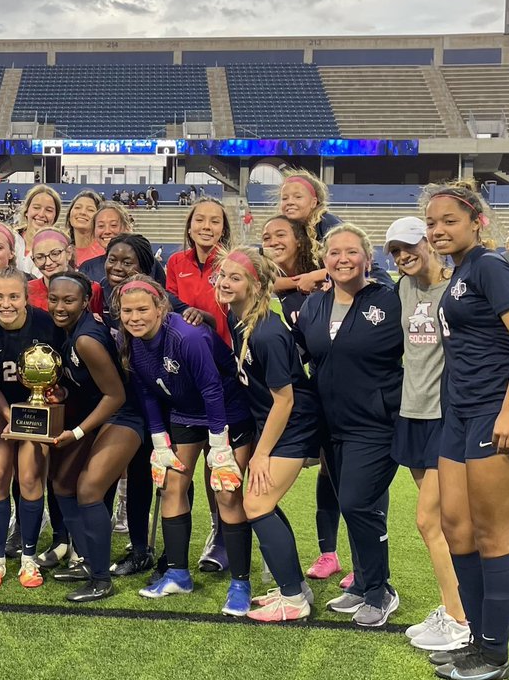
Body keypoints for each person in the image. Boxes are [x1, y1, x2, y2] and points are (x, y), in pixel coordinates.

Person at [426, 182, 509, 680]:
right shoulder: (460, 273)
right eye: (432, 222)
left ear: (477, 222)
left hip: (499, 413)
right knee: (456, 528)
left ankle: (494, 654)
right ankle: (474, 637)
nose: (437, 230)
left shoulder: (491, 266)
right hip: (460, 414)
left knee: (492, 535)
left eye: (448, 220)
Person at [122, 279, 255, 614]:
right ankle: (179, 573)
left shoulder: (188, 336)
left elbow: (212, 388)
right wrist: (158, 438)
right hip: (184, 414)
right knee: (171, 486)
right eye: (127, 311)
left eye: (142, 309)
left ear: (161, 308)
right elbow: (148, 392)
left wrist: (220, 446)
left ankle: (241, 583)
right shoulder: (133, 342)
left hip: (227, 414)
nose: (134, 317)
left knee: (226, 492)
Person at [294, 224, 404, 629]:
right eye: (335, 252)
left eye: (352, 252)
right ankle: (360, 586)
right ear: (324, 260)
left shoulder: (389, 302)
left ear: (368, 259)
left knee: (359, 504)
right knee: (350, 505)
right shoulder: (314, 307)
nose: (343, 259)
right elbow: (307, 356)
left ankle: (380, 591)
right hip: (331, 426)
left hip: (376, 424)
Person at [212, 248, 322, 622]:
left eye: (235, 278)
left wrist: (261, 453)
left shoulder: (268, 333)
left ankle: (293, 599)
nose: (225, 283)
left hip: (294, 423)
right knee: (262, 502)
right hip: (274, 422)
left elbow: (285, 400)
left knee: (256, 504)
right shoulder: (235, 314)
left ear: (256, 286)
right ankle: (295, 586)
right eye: (222, 275)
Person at [383, 217, 469, 651]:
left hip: (445, 416)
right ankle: (453, 608)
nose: (402, 256)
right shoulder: (402, 288)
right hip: (411, 413)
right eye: (395, 251)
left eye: (408, 246)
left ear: (427, 242)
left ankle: (459, 617)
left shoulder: (456, 287)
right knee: (440, 523)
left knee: (430, 521)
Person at [45, 272, 147, 603]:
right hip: (102, 415)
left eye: (69, 300)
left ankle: (101, 579)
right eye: (54, 299)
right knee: (61, 482)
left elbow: (115, 395)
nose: (60, 306)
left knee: (88, 488)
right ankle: (89, 560)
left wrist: (76, 432)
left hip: (124, 416)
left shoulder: (85, 338)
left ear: (86, 302)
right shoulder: (71, 330)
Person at [261, 213, 344, 582]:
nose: (272, 240)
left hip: (344, 390)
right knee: (329, 469)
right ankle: (329, 554)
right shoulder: (286, 286)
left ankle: (364, 564)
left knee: (348, 476)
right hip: (313, 390)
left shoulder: (325, 278)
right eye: (266, 235)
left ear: (300, 240)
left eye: (280, 234)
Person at [0, 268, 66, 587]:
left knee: (28, 476)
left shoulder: (45, 324)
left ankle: (28, 559)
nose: (5, 303)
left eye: (13, 296)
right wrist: (8, 414)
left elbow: (58, 375)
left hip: (35, 409)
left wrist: (53, 396)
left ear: (26, 298)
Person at [166, 197, 232, 346]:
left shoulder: (232, 263)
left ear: (223, 231)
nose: (207, 226)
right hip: (186, 346)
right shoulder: (175, 262)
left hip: (222, 349)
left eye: (215, 222)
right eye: (200, 220)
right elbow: (172, 307)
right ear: (189, 227)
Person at [12, 185, 62, 277]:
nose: (41, 214)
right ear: (27, 211)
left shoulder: (59, 251)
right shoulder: (10, 240)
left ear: (55, 217)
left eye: (49, 210)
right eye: (36, 207)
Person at [64, 189, 105, 268]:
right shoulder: (61, 250)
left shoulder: (106, 252)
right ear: (69, 215)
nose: (82, 212)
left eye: (90, 210)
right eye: (77, 207)